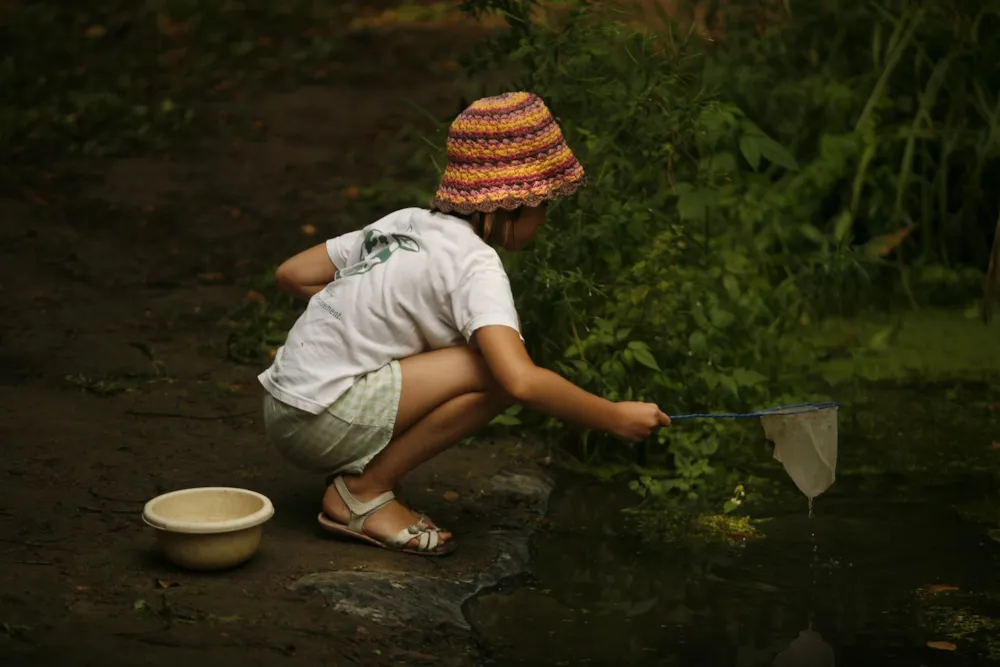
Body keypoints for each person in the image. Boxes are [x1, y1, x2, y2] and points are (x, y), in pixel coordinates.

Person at [258, 91, 671, 557]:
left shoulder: (405, 222)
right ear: (510, 205)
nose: (545, 220)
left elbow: (292, 275)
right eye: (543, 206)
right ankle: (363, 493)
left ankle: (361, 481)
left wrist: (362, 314)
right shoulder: (476, 265)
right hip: (320, 423)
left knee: (480, 359)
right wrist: (612, 416)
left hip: (283, 406)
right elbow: (520, 381)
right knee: (493, 370)